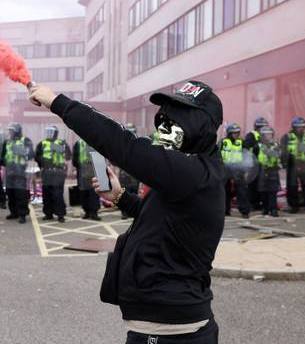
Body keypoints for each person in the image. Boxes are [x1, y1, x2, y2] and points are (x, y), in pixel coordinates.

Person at [30, 80, 224, 343]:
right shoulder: (187, 171)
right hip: (164, 326)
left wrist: (57, 102)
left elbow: (124, 145)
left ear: (200, 126)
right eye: (165, 117)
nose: (166, 126)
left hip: (172, 332)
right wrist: (120, 196)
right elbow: (162, 219)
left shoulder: (192, 172)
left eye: (178, 118)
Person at [35, 125, 71, 223]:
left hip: (58, 172)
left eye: (51, 132)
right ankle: (48, 213)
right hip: (46, 172)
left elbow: (68, 156)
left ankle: (60, 214)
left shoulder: (62, 143)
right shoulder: (42, 144)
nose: (49, 134)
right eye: (48, 132)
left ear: (55, 133)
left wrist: (55, 149)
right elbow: (37, 157)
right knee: (46, 194)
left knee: (57, 194)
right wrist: (43, 161)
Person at [280, 117, 305, 214]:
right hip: (292, 164)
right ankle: (293, 206)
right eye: (298, 127)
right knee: (292, 186)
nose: (301, 129)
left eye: (302, 127)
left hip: (304, 164)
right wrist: (284, 163)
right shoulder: (286, 137)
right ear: (294, 127)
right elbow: (282, 151)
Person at [1, 122, 34, 223]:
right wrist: (4, 162)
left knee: (21, 194)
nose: (10, 133)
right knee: (10, 193)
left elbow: (31, 154)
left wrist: (20, 150)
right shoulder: (7, 142)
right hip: (10, 171)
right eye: (9, 131)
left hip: (21, 171)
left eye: (12, 131)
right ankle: (13, 212)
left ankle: (22, 214)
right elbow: (2, 155)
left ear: (17, 132)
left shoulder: (26, 141)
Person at [221, 124, 250, 218]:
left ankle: (245, 211)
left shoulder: (242, 142)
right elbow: (217, 155)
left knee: (241, 191)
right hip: (225, 168)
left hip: (238, 169)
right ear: (229, 133)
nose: (236, 135)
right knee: (225, 191)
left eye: (237, 133)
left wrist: (246, 169)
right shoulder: (223, 142)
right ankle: (225, 211)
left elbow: (247, 156)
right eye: (234, 133)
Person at [252, 126, 281, 217]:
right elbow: (254, 158)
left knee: (272, 191)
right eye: (266, 134)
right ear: (262, 135)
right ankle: (265, 208)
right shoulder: (258, 146)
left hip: (273, 169)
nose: (268, 136)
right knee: (263, 191)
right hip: (262, 170)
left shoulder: (276, 145)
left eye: (270, 134)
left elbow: (278, 155)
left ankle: (273, 209)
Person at [243, 117, 269, 210]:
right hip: (254, 164)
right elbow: (246, 148)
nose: (263, 129)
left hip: (265, 164)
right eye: (261, 127)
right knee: (253, 184)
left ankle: (262, 203)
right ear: (256, 127)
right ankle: (253, 203)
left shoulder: (268, 135)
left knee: (263, 184)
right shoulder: (251, 135)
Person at [73, 138, 101, 221]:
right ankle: (87, 212)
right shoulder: (79, 143)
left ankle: (94, 212)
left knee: (94, 192)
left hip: (94, 170)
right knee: (84, 192)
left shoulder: (97, 141)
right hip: (83, 171)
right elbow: (75, 158)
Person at [118, 124, 141, 220]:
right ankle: (124, 212)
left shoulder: (139, 144)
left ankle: (134, 211)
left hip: (135, 173)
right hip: (125, 173)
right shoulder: (121, 144)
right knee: (125, 192)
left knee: (134, 192)